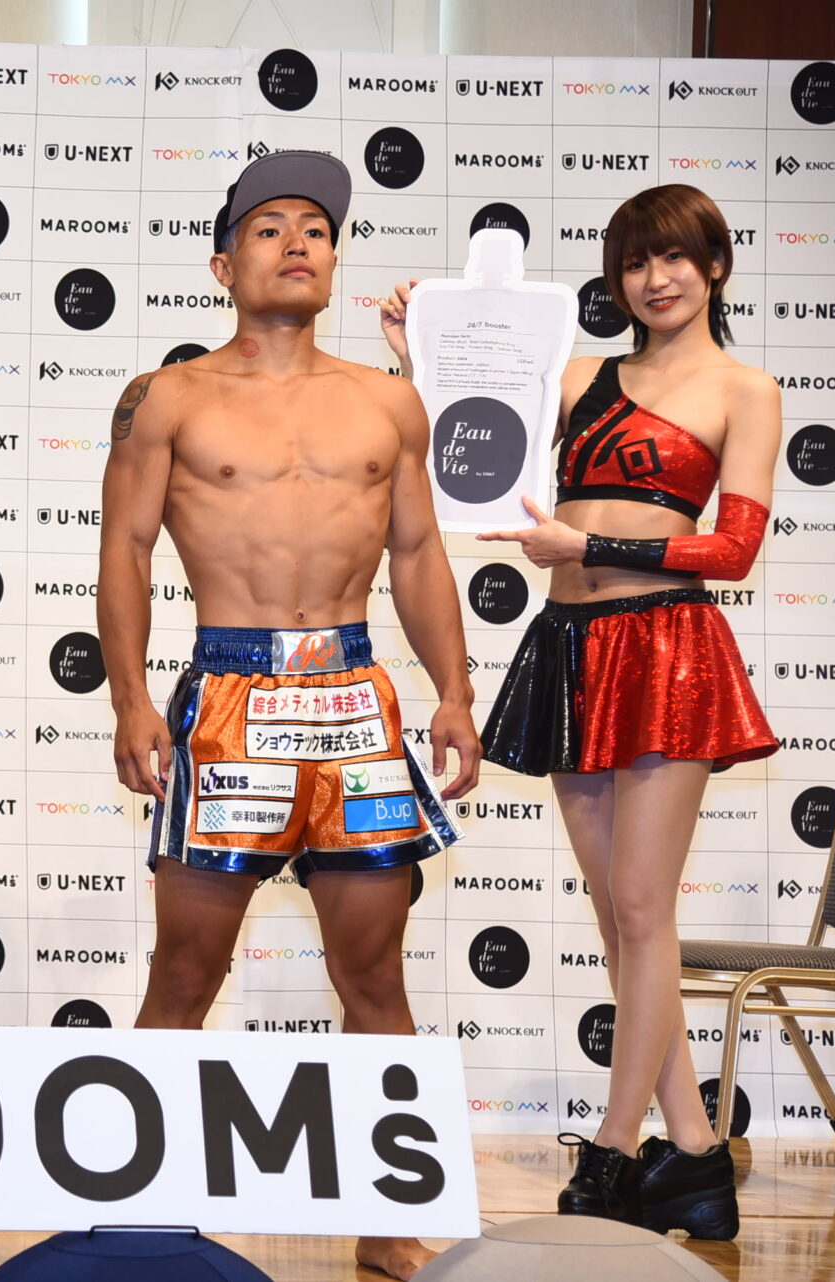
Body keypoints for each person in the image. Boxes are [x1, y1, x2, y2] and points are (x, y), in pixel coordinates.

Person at [100, 151, 479, 1282]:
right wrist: (130, 697)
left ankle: (387, 1223)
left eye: (315, 226)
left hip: (353, 698)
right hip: (230, 694)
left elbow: (420, 552)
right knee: (184, 975)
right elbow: (124, 551)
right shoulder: (170, 397)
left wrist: (456, 691)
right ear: (225, 265)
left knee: (377, 979)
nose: (298, 242)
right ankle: (134, 1209)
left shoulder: (388, 400)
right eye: (268, 227)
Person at [380, 183, 779, 1240]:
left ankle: (613, 1147)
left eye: (675, 257)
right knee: (620, 917)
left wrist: (590, 544)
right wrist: (420, 356)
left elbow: (734, 549)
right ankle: (695, 1155)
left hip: (668, 648)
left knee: (641, 911)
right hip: (569, 645)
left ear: (715, 266)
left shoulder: (745, 389)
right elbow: (471, 434)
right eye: (635, 261)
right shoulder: (576, 375)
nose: (655, 278)